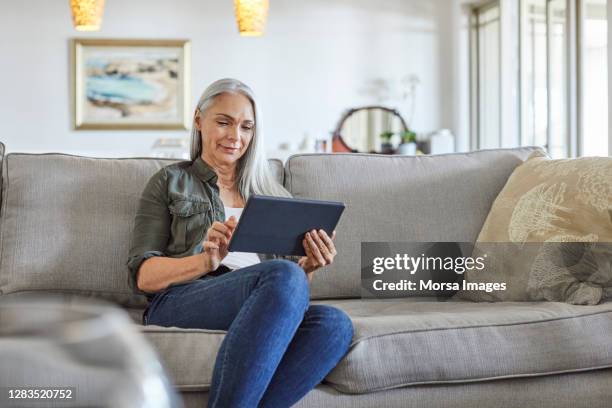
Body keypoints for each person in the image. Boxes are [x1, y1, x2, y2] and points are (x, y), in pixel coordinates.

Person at [127, 78, 354, 408]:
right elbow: (144, 277)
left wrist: (308, 268)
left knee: (335, 325)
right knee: (282, 275)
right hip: (183, 298)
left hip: (258, 301)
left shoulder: (272, 195)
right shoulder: (170, 181)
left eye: (246, 127)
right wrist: (205, 261)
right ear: (198, 119)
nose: (235, 137)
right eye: (224, 122)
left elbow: (287, 295)